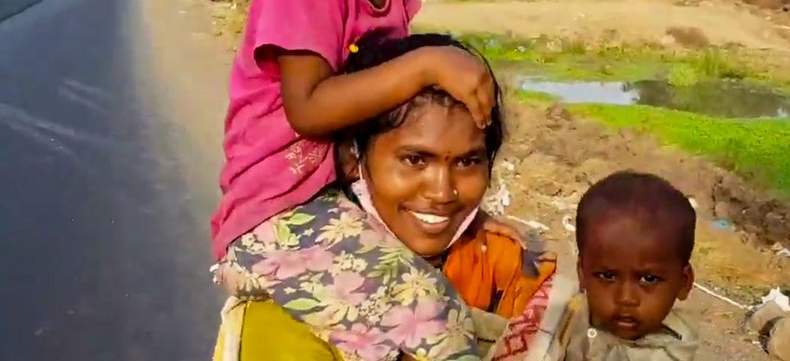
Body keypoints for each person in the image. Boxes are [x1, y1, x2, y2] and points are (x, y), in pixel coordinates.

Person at [211, 0, 507, 357]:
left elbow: (395, 106)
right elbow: (310, 106)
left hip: (348, 191)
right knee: (432, 315)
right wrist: (427, 63)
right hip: (282, 215)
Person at [214, 33, 555, 360]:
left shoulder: (508, 265)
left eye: (468, 162)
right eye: (415, 160)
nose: (441, 192)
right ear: (353, 158)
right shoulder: (286, 315)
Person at [546, 171, 699, 360]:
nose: (625, 298)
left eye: (648, 279)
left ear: (683, 283)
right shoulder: (571, 314)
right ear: (582, 273)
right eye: (607, 276)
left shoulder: (667, 355)